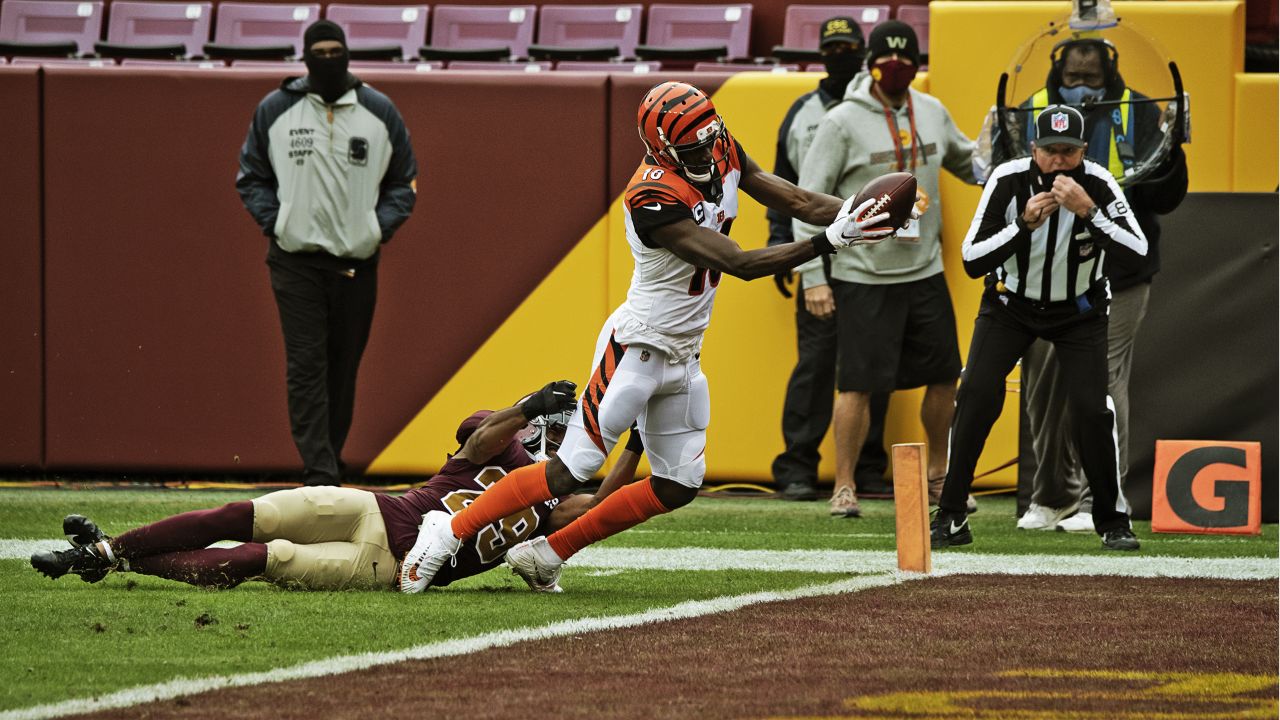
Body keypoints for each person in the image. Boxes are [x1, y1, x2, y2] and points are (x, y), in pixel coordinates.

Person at [396, 80, 898, 594]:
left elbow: (792, 196)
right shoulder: (652, 195)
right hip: (636, 345)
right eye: (694, 147)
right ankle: (447, 530)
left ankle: (549, 553)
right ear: (662, 148)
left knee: (679, 483)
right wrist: (831, 241)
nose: (708, 151)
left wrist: (859, 212)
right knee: (569, 472)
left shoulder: (720, 146)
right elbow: (738, 263)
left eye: (710, 139)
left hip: (683, 349)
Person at [30, 381, 643, 591]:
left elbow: (604, 502)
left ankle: (119, 561)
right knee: (246, 515)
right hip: (375, 507)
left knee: (260, 559)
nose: (557, 440)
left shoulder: (550, 509)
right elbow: (479, 440)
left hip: (386, 563)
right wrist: (528, 403)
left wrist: (639, 444)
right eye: (551, 427)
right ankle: (105, 552)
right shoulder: (502, 440)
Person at [931, 105, 1147, 552]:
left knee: (1092, 409)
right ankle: (950, 515)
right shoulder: (1008, 179)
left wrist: (1090, 213)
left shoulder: (1100, 184)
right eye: (1050, 151)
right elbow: (972, 259)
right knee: (975, 393)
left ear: (1084, 151)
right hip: (1010, 305)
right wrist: (1023, 224)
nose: (1059, 162)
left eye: (1069, 152)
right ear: (1034, 150)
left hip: (1080, 310)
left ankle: (1112, 520)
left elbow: (1139, 253)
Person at [791, 20, 977, 517]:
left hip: (924, 269)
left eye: (906, 62)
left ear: (918, 66)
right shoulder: (841, 121)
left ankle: (940, 473)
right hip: (863, 274)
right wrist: (813, 277)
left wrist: (1008, 153)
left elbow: (969, 163)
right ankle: (845, 485)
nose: (895, 71)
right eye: (885, 62)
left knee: (943, 377)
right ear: (870, 65)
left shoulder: (932, 111)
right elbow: (805, 200)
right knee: (856, 385)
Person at [1010, 37, 1190, 532]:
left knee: (1103, 384)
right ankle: (1051, 496)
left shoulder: (1142, 110)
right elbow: (1001, 180)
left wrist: (1172, 151)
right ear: (1056, 72)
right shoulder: (1026, 111)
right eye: (1073, 78)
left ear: (1110, 72)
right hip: (1046, 275)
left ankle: (1101, 502)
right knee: (1044, 389)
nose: (1083, 87)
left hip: (1120, 273)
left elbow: (1168, 195)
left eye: (1092, 79)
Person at [235, 19, 417, 486]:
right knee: (306, 365)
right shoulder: (276, 109)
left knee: (343, 366)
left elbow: (404, 181)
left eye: (337, 50)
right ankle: (319, 472)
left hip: (357, 262)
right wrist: (276, 223)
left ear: (349, 54)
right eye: (322, 51)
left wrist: (376, 229)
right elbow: (251, 176)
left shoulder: (378, 110)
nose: (330, 58)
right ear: (306, 56)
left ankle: (329, 460)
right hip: (294, 261)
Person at [767, 16, 894, 506]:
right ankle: (797, 466)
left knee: (870, 369)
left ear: (863, 52)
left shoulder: (881, 109)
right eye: (832, 46)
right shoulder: (801, 112)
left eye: (848, 47)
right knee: (816, 366)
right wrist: (787, 253)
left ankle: (869, 467)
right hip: (820, 257)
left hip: (873, 259)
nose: (840, 54)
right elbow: (779, 185)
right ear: (821, 53)